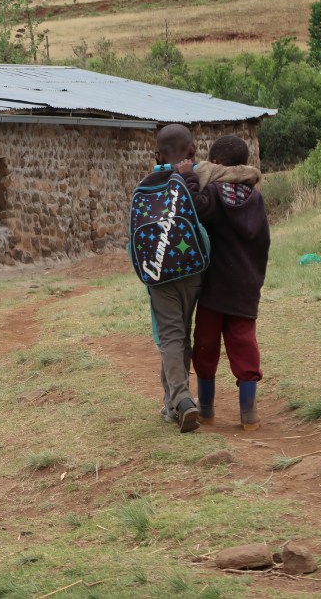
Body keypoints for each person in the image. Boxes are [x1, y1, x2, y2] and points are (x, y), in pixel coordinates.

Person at [190, 135, 269, 431]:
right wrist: (255, 281)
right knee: (245, 346)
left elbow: (195, 209)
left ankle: (206, 411)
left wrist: (188, 177)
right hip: (245, 287)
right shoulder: (256, 199)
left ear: (218, 163)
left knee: (206, 347)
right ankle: (249, 415)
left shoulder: (212, 192)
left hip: (214, 289)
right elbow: (263, 244)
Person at [132, 123, 205, 433]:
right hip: (193, 268)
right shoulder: (197, 178)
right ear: (192, 150)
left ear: (157, 154)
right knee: (181, 333)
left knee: (170, 336)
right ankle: (173, 401)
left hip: (158, 273)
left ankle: (180, 400)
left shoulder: (145, 185)